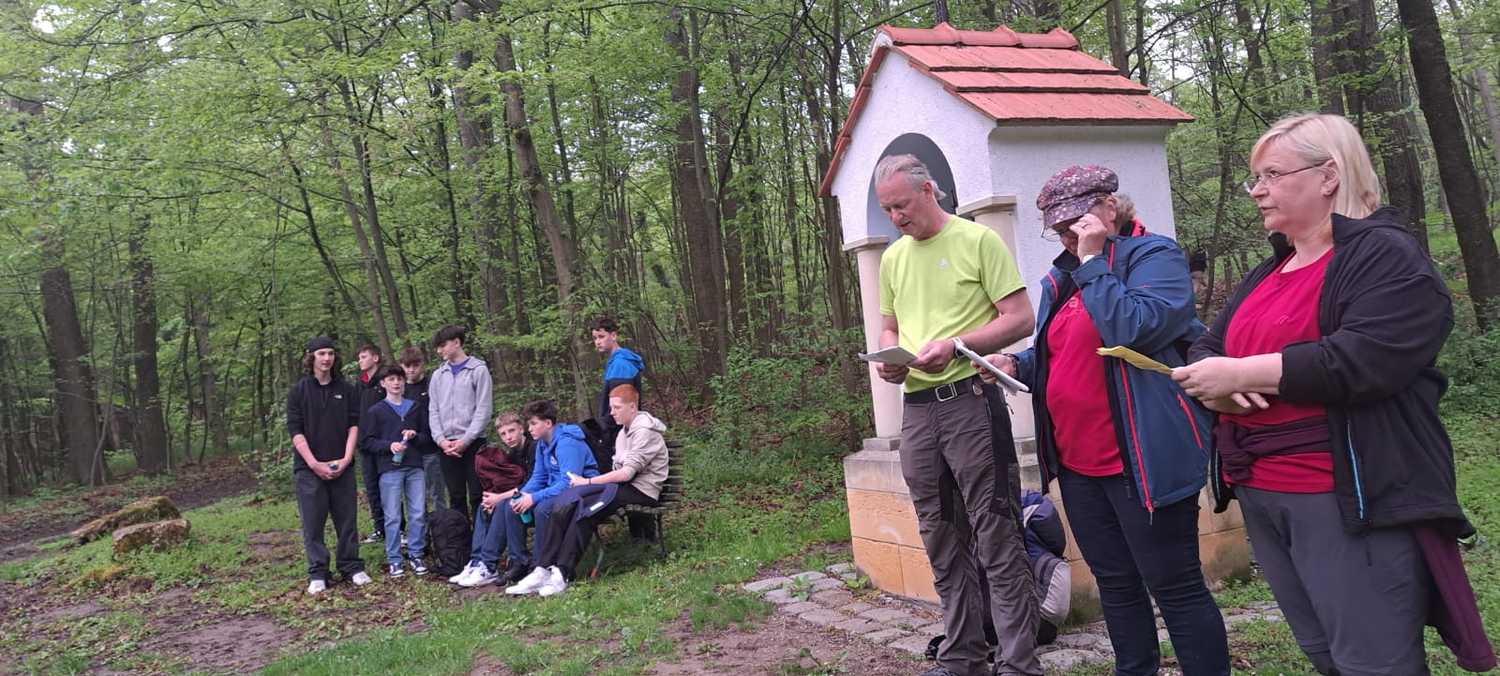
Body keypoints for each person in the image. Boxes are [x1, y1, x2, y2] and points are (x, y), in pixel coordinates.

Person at [1174, 113, 1493, 675]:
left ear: (1328, 175)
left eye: (1272, 175)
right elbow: (1207, 348)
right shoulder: (1270, 271)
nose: (1257, 191)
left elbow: (1366, 357)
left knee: (1373, 662)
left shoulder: (1384, 255)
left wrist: (1243, 374)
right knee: (1325, 654)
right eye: (1255, 178)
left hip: (1346, 496)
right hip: (1262, 491)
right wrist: (1216, 391)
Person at [976, 165, 1228, 675]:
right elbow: (1062, 351)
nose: (1067, 238)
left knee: (1175, 585)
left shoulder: (1153, 257)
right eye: (1059, 229)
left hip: (1141, 460)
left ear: (1109, 207)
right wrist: (1017, 364)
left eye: (1074, 224)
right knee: (1116, 583)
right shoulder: (1064, 276)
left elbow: (1130, 328)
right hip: (1079, 465)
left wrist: (1093, 262)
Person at [873, 153, 1041, 676]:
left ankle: (1018, 663)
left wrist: (957, 345)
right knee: (941, 534)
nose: (895, 217)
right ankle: (963, 657)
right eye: (886, 210)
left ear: (929, 190)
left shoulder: (978, 241)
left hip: (970, 402)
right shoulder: (893, 258)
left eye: (901, 205)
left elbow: (1021, 319)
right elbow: (889, 327)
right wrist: (890, 358)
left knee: (996, 532)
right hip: (918, 412)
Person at [510, 384, 669, 597]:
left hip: (642, 492)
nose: (611, 412)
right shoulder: (624, 431)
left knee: (585, 511)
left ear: (633, 407)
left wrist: (587, 482)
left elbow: (626, 474)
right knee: (569, 500)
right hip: (623, 487)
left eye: (617, 407)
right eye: (611, 407)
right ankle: (542, 569)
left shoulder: (644, 431)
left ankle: (562, 574)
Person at [286, 336, 370, 594]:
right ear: (311, 356)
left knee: (347, 520)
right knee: (313, 523)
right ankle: (318, 572)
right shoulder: (298, 391)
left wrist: (345, 459)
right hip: (309, 469)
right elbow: (295, 431)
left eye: (330, 353)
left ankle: (351, 566)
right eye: (321, 353)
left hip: (341, 465)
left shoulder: (347, 389)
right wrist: (314, 464)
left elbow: (354, 425)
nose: (326, 358)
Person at [502, 399, 599, 592]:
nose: (529, 429)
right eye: (529, 424)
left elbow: (568, 482)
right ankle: (520, 563)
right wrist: (523, 494)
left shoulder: (567, 443)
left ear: (548, 423)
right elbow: (539, 477)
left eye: (533, 423)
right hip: (557, 490)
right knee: (511, 506)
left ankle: (542, 567)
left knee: (543, 508)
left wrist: (534, 498)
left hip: (581, 492)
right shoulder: (542, 444)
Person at [360, 365, 429, 577]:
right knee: (392, 516)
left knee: (418, 513)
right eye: (391, 379)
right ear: (383, 383)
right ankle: (394, 559)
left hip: (415, 467)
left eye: (399, 379)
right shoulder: (376, 411)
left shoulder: (415, 407)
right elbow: (367, 442)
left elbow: (427, 437)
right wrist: (389, 446)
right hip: (389, 469)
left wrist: (415, 436)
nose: (396, 383)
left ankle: (416, 554)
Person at [450, 412, 533, 587]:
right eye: (503, 434)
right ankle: (477, 561)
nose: (508, 437)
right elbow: (510, 482)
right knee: (484, 507)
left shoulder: (533, 448)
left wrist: (499, 497)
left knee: (503, 505)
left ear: (521, 428)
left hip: (535, 497)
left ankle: (488, 564)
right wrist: (492, 498)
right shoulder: (512, 453)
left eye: (512, 431)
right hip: (519, 496)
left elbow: (532, 484)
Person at [588, 315, 650, 540]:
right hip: (621, 432)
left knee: (631, 479)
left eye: (601, 336)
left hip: (622, 433)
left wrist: (599, 429)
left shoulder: (621, 364)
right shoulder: (616, 362)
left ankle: (643, 538)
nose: (597, 341)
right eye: (595, 338)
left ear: (614, 335)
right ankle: (640, 538)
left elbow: (621, 406)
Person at [427, 325, 493, 522]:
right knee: (456, 496)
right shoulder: (438, 375)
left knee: (477, 494)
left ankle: (482, 537)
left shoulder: (478, 370)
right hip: (446, 445)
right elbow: (433, 410)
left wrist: (466, 440)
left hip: (474, 443)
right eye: (437, 347)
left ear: (456, 343)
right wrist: (441, 440)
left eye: (442, 345)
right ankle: (461, 537)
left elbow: (484, 409)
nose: (439, 351)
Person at [399, 346, 446, 511]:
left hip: (431, 448)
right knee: (415, 497)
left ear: (422, 365)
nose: (411, 370)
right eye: (407, 366)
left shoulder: (431, 385)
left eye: (415, 365)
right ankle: (421, 527)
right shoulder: (399, 389)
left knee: (437, 492)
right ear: (401, 366)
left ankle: (442, 523)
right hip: (408, 450)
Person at [355, 344, 389, 544]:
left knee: (389, 487)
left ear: (375, 358)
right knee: (372, 488)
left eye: (363, 356)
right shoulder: (358, 385)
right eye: (359, 357)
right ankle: (379, 527)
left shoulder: (385, 381)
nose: (360, 361)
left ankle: (398, 527)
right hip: (365, 444)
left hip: (384, 444)